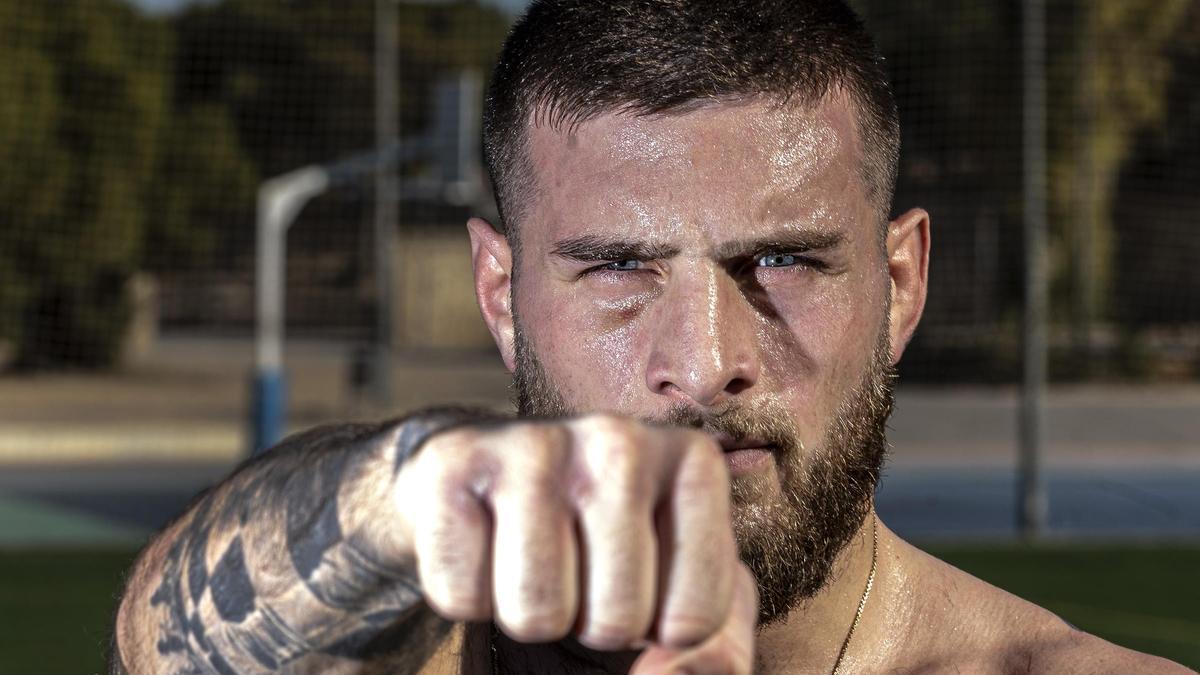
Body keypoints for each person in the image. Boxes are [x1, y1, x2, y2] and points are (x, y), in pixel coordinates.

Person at [111, 1, 1190, 673]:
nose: (704, 358)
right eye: (618, 268)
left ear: (901, 286)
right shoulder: (401, 658)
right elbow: (167, 647)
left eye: (783, 261)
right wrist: (400, 491)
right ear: (501, 294)